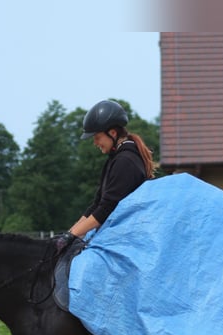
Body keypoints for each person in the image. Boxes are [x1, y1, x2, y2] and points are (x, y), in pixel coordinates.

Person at [56, 100, 155, 252]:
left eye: (97, 137)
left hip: (129, 239)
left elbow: (106, 209)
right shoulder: (115, 159)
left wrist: (71, 237)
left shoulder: (125, 161)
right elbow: (97, 205)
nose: (95, 143)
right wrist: (69, 234)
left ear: (113, 133)